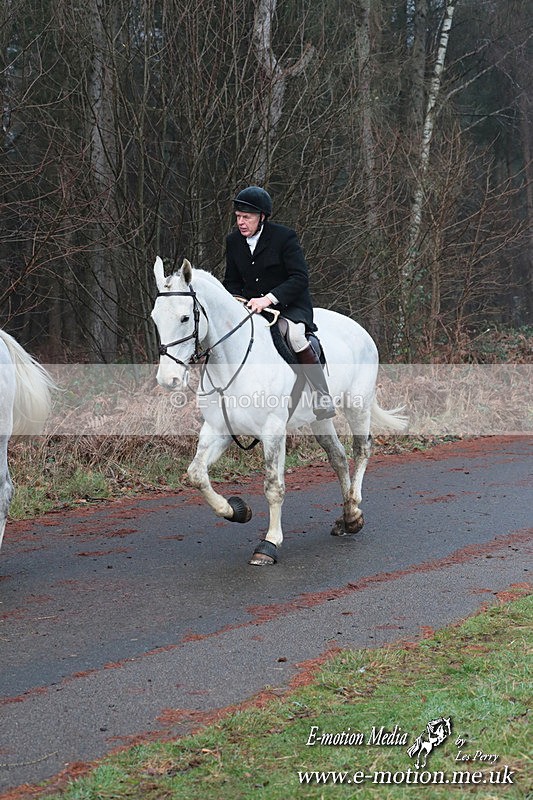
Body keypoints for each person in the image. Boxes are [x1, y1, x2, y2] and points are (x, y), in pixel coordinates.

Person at [223, 185, 335, 420]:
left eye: (247, 217)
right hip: (252, 307)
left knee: (295, 336)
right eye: (238, 217)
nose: (241, 222)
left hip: (290, 306)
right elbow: (231, 282)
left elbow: (299, 278)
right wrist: (237, 301)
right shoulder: (233, 242)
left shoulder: (284, 237)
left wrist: (268, 299)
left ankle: (321, 395)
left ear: (262, 217)